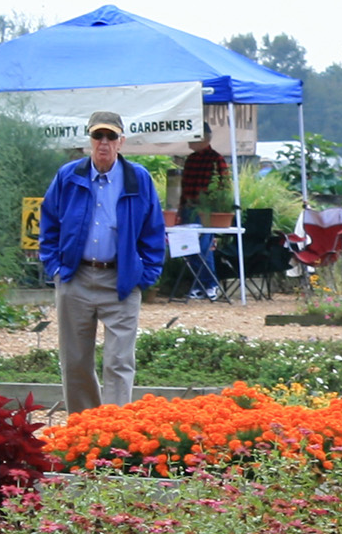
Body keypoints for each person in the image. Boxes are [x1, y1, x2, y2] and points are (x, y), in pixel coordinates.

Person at [37, 111, 167, 412]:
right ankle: (85, 430)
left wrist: (145, 275)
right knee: (75, 362)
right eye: (98, 136)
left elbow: (154, 230)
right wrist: (55, 268)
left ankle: (114, 433)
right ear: (89, 141)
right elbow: (49, 222)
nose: (104, 143)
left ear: (122, 141)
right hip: (75, 277)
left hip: (121, 280)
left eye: (111, 137)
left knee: (119, 361)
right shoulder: (68, 176)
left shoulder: (139, 178)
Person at [177, 133, 231, 300]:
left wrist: (217, 207)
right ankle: (201, 284)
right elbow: (184, 186)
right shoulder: (191, 159)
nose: (189, 141)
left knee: (204, 246)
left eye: (194, 137)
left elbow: (224, 186)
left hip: (206, 210)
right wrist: (180, 208)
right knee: (190, 247)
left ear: (205, 138)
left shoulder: (216, 159)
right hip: (189, 208)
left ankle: (210, 284)